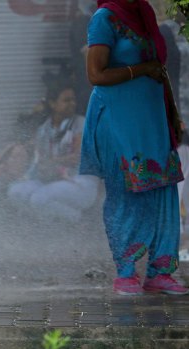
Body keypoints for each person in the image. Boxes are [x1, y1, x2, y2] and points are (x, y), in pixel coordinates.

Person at [80, 0, 187, 296]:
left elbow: (160, 70)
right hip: (116, 119)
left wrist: (173, 114)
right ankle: (125, 272)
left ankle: (160, 272)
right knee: (126, 190)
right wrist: (141, 69)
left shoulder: (144, 14)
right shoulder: (105, 18)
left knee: (163, 187)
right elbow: (96, 75)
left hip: (152, 116)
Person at [7, 78, 99, 223]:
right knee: (16, 192)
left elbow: (77, 157)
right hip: (51, 180)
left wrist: (51, 162)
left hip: (79, 182)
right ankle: (48, 227)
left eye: (73, 99)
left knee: (39, 198)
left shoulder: (81, 124)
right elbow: (39, 161)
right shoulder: (44, 129)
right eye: (66, 100)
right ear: (53, 104)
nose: (72, 104)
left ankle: (78, 221)